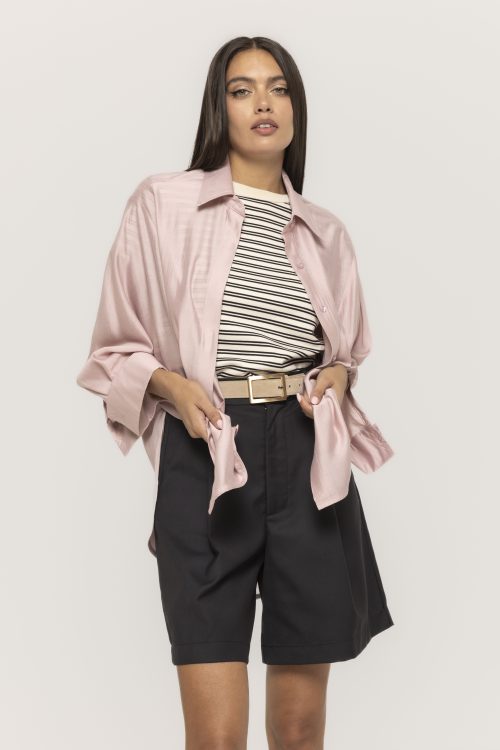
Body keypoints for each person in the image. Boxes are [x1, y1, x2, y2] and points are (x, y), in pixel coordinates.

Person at [77, 35, 395, 750]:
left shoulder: (326, 233)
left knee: (299, 731)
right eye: (242, 89)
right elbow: (111, 352)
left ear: (296, 108)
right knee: (216, 737)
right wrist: (170, 386)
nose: (263, 103)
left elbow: (344, 356)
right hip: (206, 456)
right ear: (218, 108)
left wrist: (340, 376)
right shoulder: (162, 203)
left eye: (278, 88)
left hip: (310, 462)